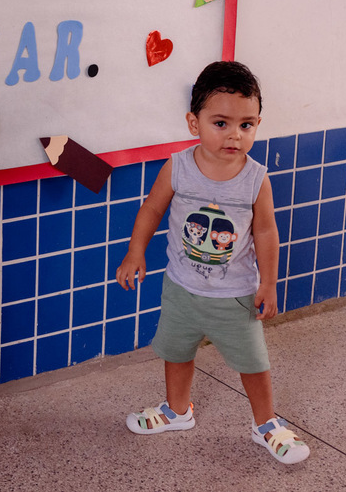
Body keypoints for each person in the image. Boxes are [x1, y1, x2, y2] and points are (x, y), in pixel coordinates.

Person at [114, 61, 310, 465]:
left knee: (253, 363)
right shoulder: (179, 167)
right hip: (181, 287)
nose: (234, 135)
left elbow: (266, 232)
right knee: (177, 351)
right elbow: (151, 210)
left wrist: (269, 283)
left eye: (246, 125)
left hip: (234, 294)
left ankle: (266, 425)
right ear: (194, 122)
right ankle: (177, 411)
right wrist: (136, 251)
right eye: (220, 123)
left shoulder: (256, 178)